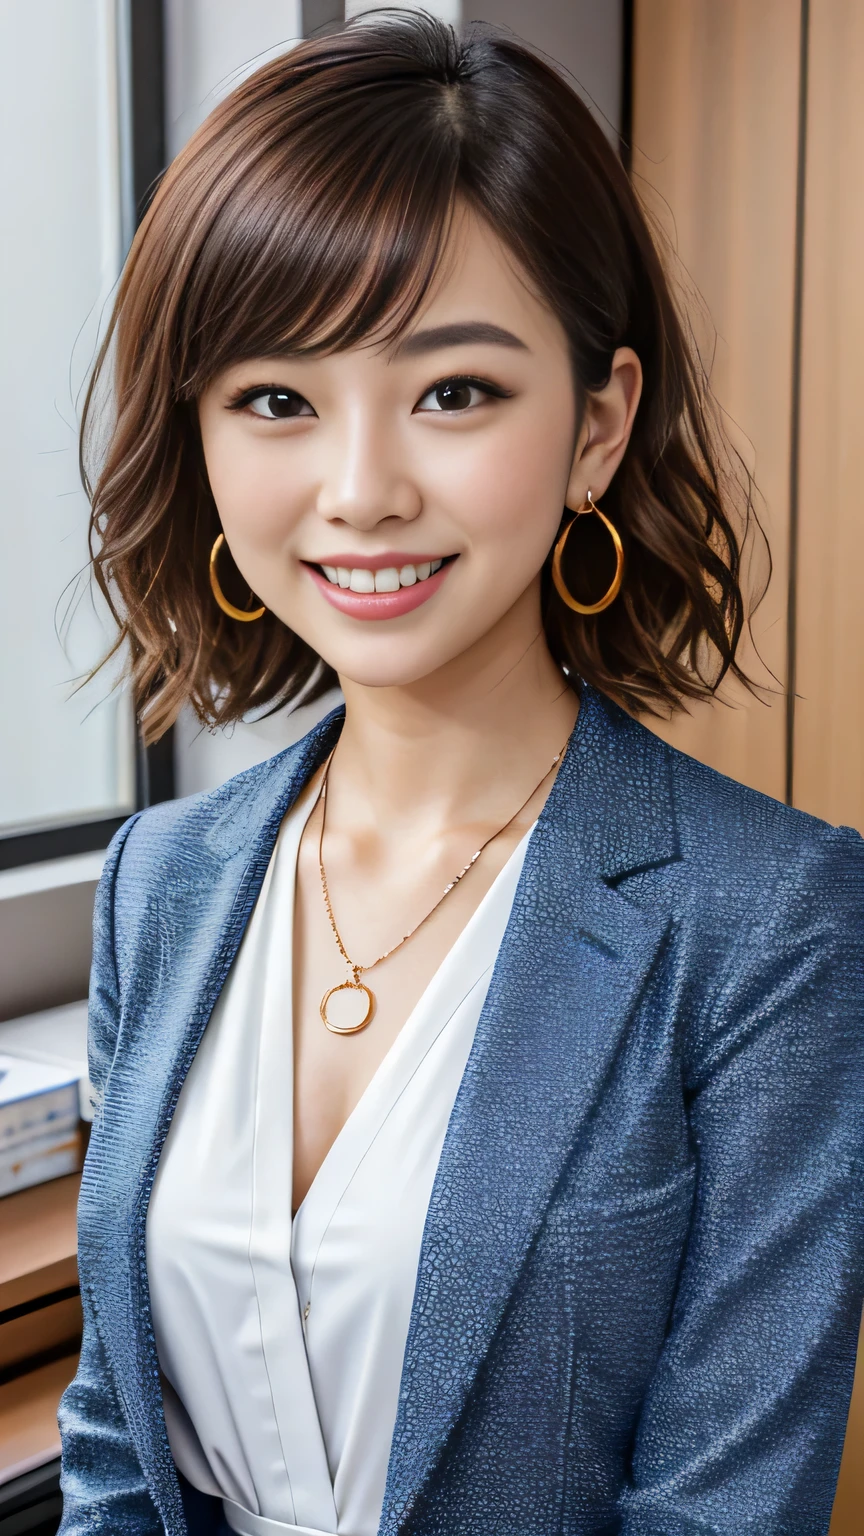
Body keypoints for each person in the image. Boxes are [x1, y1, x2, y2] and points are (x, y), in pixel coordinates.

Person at [58, 13, 863, 1536]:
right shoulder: (158, 883)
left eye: (454, 392)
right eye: (276, 400)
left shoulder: (773, 919)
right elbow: (113, 1442)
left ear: (597, 425)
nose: (361, 489)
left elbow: (724, 1513)